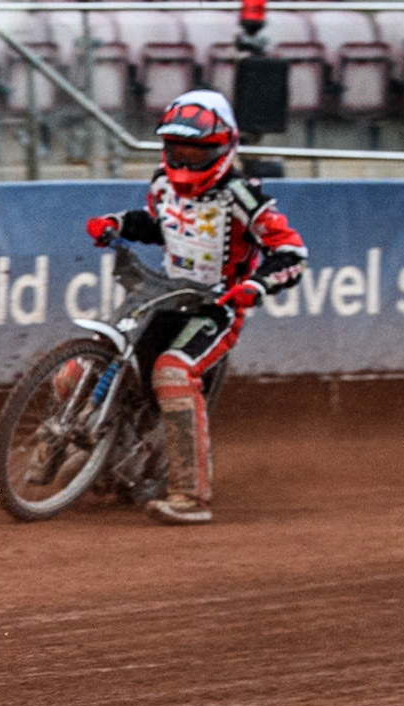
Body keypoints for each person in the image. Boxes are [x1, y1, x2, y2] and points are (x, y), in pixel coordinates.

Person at [84, 88, 307, 525]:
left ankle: (190, 495)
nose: (185, 162)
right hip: (163, 294)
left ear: (224, 148)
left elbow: (291, 253)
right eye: (177, 150)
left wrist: (256, 286)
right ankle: (105, 455)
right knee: (88, 363)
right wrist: (119, 223)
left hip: (216, 307)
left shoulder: (243, 196)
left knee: (173, 372)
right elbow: (160, 226)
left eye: (197, 152)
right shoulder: (161, 184)